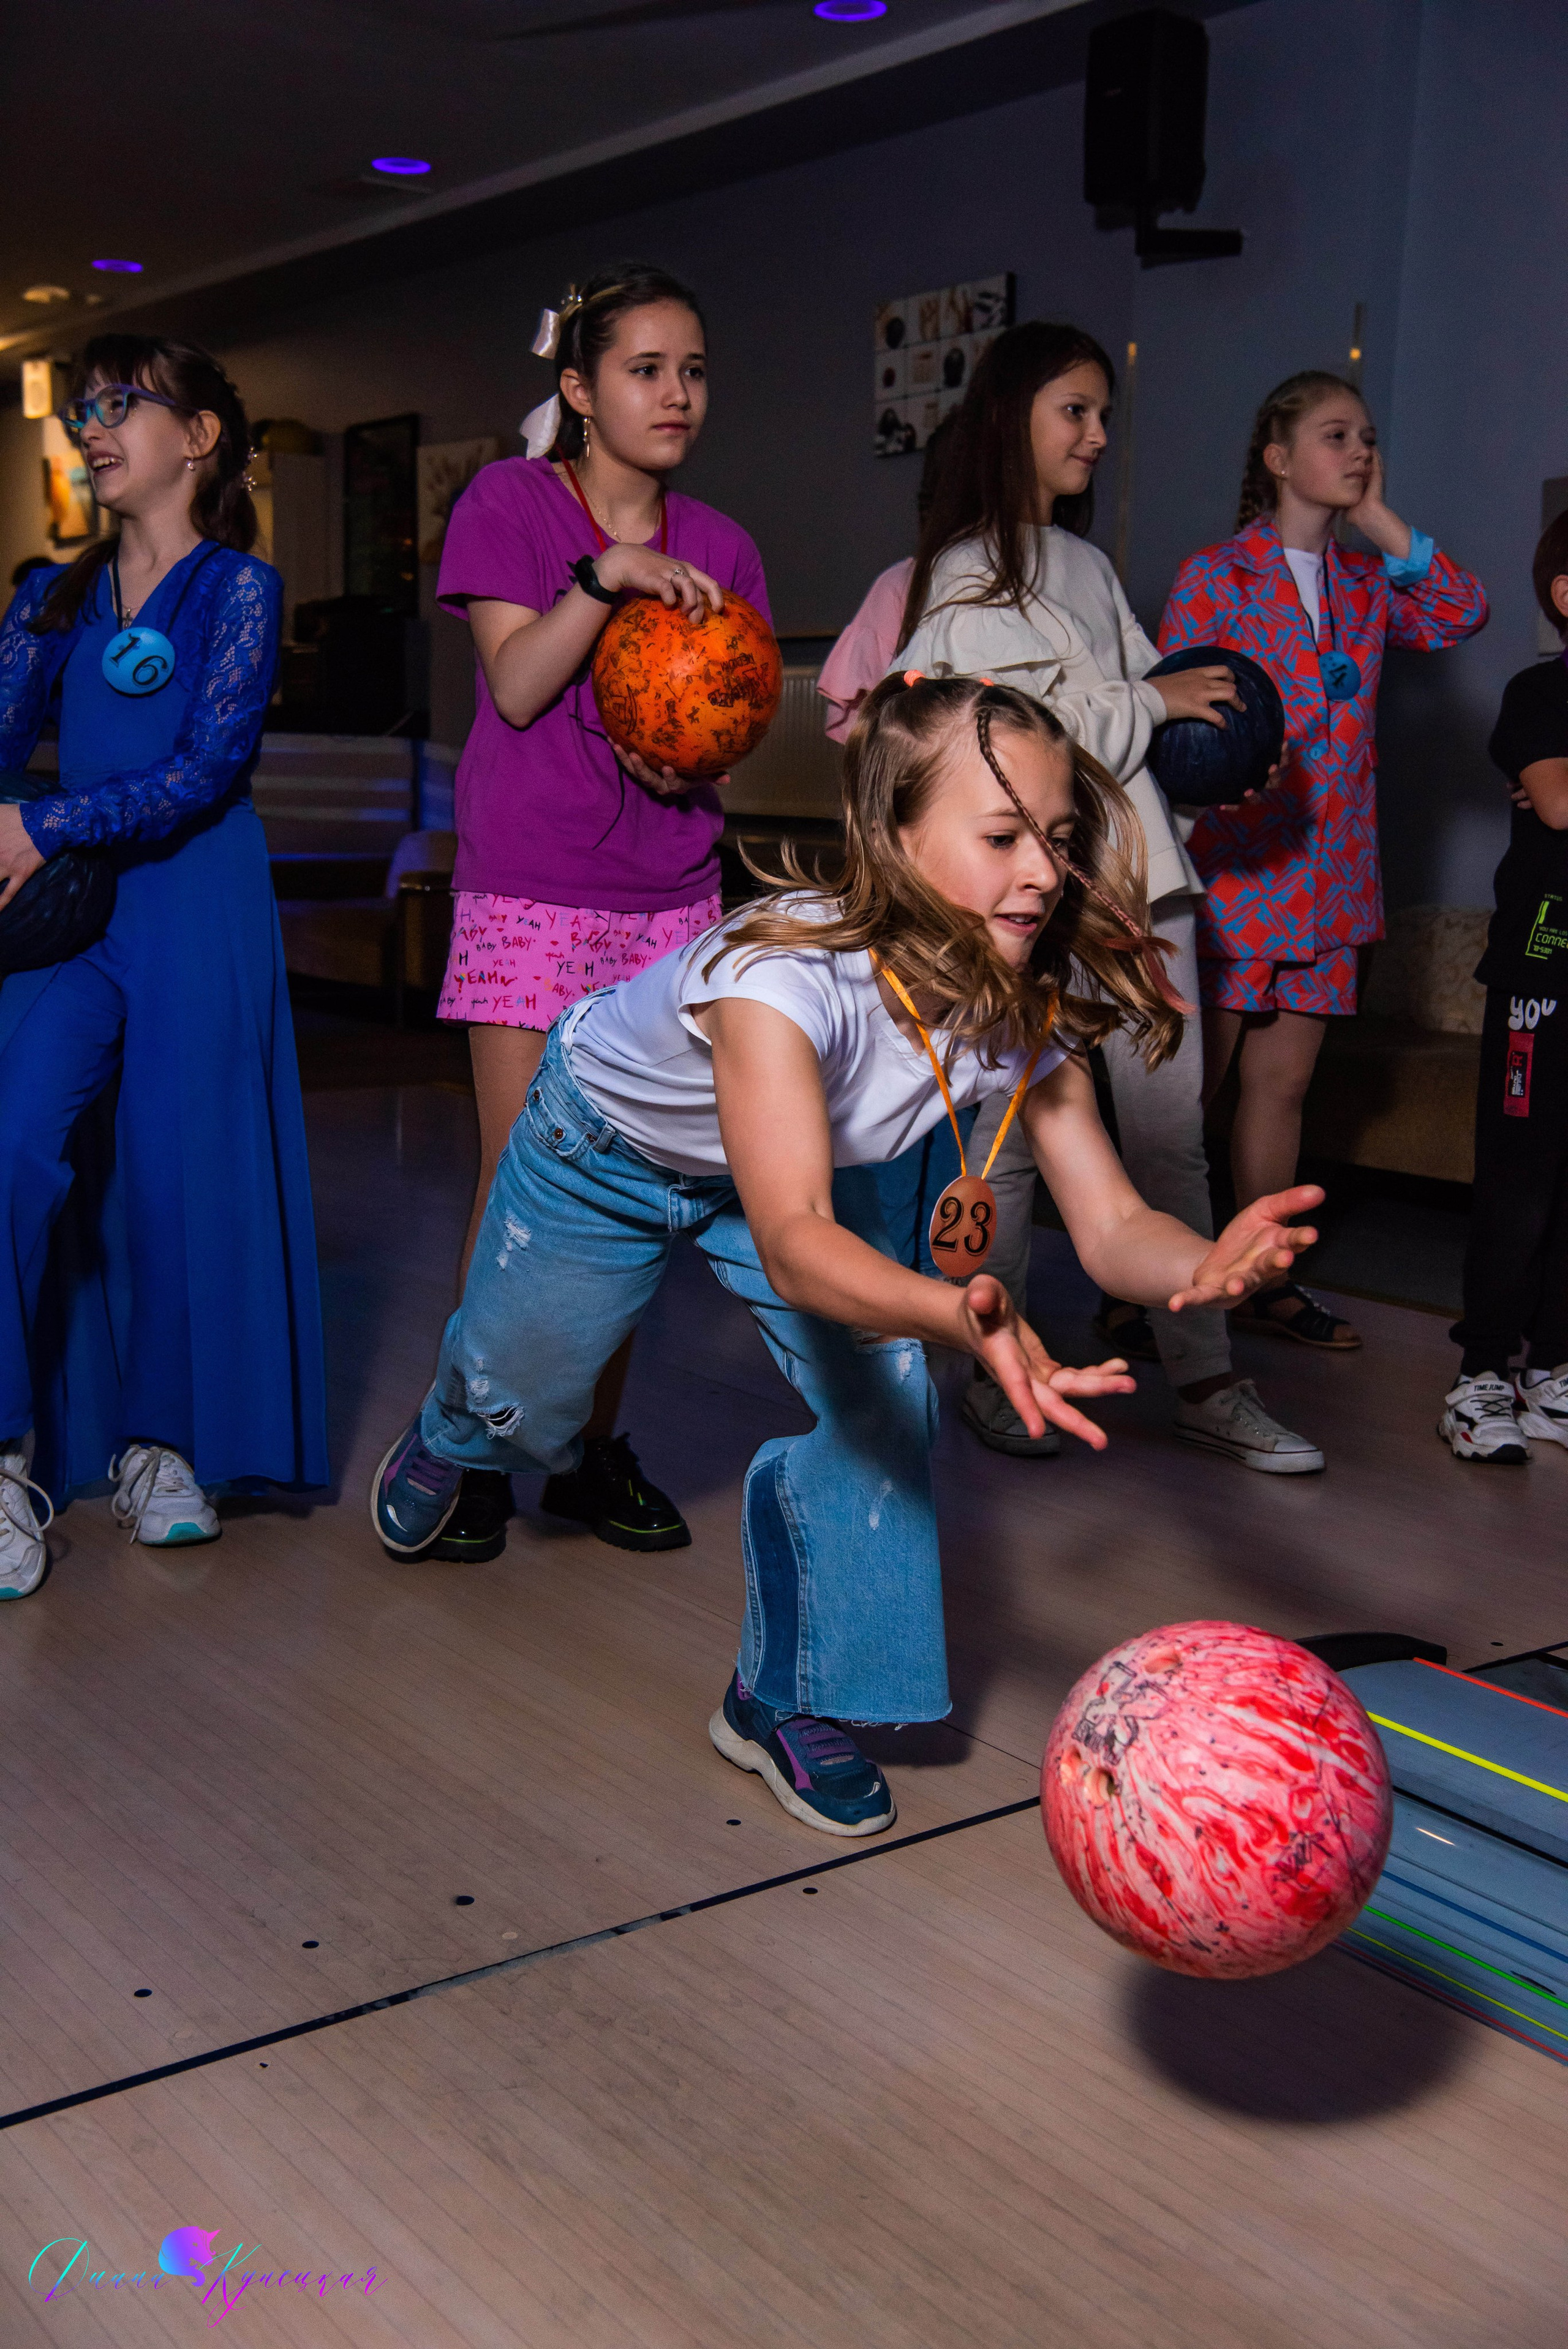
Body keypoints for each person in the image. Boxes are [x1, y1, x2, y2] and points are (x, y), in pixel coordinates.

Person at [372, 674, 1321, 1838]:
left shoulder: (1018, 996)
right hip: (607, 1152)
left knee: (885, 1393)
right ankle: (456, 1428)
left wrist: (1202, 1266)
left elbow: (1116, 1226)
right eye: (1003, 837)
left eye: (1059, 838)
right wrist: (958, 1311)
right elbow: (796, 1246)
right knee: (526, 1402)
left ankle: (785, 1697)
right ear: (894, 837)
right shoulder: (780, 977)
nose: (1042, 870)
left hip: (803, 1174)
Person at [896, 321, 1320, 1475]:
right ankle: (1000, 1371)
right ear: (1012, 417)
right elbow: (986, 739)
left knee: (1173, 1142)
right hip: (1024, 901)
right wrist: (1158, 704)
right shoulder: (965, 571)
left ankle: (1209, 1384)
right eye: (1074, 411)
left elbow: (1143, 723)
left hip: (1140, 885)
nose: (1095, 436)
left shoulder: (1084, 566)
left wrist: (1217, 751)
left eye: (1102, 416)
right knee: (1005, 1147)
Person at [432, 259, 770, 1564]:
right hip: (530, 885)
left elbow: (727, 719)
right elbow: (518, 686)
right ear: (577, 389)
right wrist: (605, 573)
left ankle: (581, 1451)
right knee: (523, 1187)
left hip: (670, 901)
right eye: (645, 370)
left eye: (694, 371)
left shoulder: (725, 546)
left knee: (632, 1194)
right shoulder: (510, 503)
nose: (676, 394)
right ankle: (470, 1449)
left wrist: (689, 765)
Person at [0, 336, 328, 1597]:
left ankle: (162, 1447)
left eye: (120, 405)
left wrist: (48, 820)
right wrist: (31, 820)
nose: (91, 427)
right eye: (85, 410)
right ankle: (6, 1453)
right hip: (69, 913)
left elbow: (205, 767)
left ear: (197, 439)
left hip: (195, 896)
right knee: (12, 1136)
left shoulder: (237, 589)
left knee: (175, 1174)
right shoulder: (53, 597)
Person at [1161, 371, 1488, 1350]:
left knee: (1284, 1090)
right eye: (1336, 436)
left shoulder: (1367, 581)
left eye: (1368, 438)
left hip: (1335, 876)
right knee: (1193, 1092)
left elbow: (1462, 610)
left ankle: (1264, 1282)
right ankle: (1151, 1282)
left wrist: (1378, 517)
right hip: (1239, 871)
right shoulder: (1216, 575)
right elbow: (1174, 719)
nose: (1359, 451)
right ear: (1278, 457)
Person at [1440, 514, 1568, 1461]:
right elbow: (1559, 803)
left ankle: (1554, 1371)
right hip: (1540, 970)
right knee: (1521, 1179)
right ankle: (1481, 1373)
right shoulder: (1540, 693)